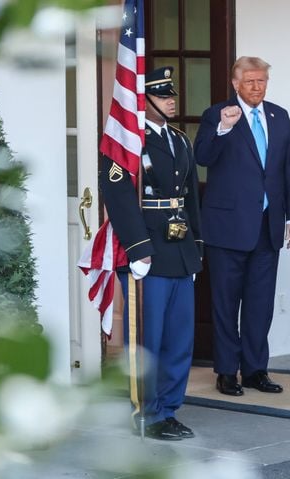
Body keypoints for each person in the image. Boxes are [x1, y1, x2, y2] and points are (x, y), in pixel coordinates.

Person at [98, 66, 202, 441]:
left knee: (178, 339)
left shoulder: (180, 139)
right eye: (163, 95)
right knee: (148, 341)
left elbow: (190, 197)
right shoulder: (127, 142)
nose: (172, 99)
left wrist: (197, 249)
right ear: (144, 101)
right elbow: (119, 197)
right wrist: (138, 249)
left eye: (171, 94)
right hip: (149, 251)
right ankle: (147, 411)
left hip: (180, 249)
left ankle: (169, 409)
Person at [194, 56, 290, 396]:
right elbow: (202, 157)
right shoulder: (217, 115)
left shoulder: (278, 115)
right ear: (235, 83)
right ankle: (227, 371)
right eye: (251, 81)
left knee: (260, 304)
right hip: (227, 228)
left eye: (262, 81)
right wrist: (223, 128)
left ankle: (256, 369)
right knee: (226, 304)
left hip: (268, 226)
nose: (257, 87)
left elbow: (289, 170)